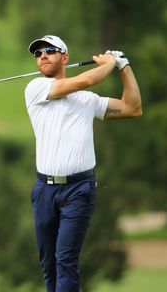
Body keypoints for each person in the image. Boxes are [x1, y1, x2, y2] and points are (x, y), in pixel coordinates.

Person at [24, 35, 141, 292]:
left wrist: (123, 66)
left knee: (65, 259)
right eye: (38, 53)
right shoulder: (35, 89)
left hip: (79, 190)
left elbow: (133, 107)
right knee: (49, 264)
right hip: (44, 190)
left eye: (50, 51)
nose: (42, 55)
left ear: (64, 57)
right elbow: (88, 79)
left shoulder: (88, 101)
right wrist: (110, 62)